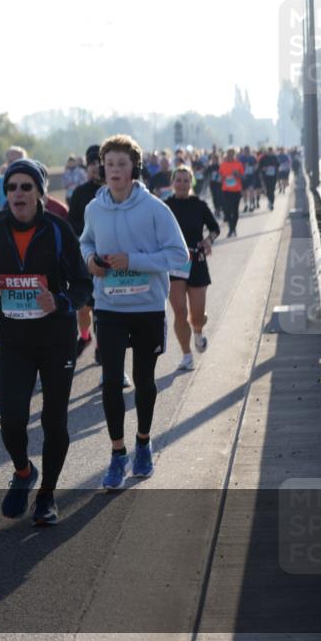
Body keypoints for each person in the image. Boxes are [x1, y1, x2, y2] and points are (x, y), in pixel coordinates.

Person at [0, 159, 92, 524]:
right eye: (11, 187)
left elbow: (83, 284)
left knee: (54, 421)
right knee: (12, 421)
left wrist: (60, 301)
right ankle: (23, 473)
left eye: (25, 187)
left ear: (40, 193)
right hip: (15, 338)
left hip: (55, 339)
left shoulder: (57, 230)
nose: (17, 193)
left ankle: (47, 497)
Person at [79, 135, 188, 490]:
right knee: (111, 381)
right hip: (109, 306)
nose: (113, 171)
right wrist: (90, 261)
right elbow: (86, 242)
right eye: (108, 164)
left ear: (134, 168)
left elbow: (179, 256)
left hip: (147, 308)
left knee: (144, 379)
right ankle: (117, 453)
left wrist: (135, 262)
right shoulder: (94, 209)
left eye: (121, 164)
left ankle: (143, 442)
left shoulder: (156, 208)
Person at [165, 166, 220, 370]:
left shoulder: (199, 205)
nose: (181, 184)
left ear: (191, 183)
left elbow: (215, 228)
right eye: (178, 180)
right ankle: (186, 355)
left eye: (186, 180)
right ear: (172, 182)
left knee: (197, 316)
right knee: (179, 312)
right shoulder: (165, 206)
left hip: (196, 262)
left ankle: (198, 331)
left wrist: (208, 241)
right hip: (174, 263)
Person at [68, 145, 102, 358]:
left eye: (99, 163)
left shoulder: (112, 191)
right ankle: (85, 335)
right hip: (84, 255)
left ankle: (101, 346)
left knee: (101, 308)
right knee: (83, 308)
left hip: (107, 258)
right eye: (91, 164)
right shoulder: (80, 193)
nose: (96, 168)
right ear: (86, 168)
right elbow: (72, 224)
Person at [0, 146, 27, 214]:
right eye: (10, 161)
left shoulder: (31, 181)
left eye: (18, 161)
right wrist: (0, 209)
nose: (14, 164)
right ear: (6, 163)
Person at [218, 148, 245, 237]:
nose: (230, 155)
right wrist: (223, 178)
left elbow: (243, 177)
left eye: (232, 154)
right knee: (227, 210)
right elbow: (220, 177)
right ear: (227, 154)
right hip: (226, 190)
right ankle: (231, 228)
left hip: (236, 190)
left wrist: (238, 174)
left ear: (234, 155)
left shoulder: (238, 164)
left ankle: (233, 229)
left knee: (235, 210)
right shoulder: (223, 165)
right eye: (229, 154)